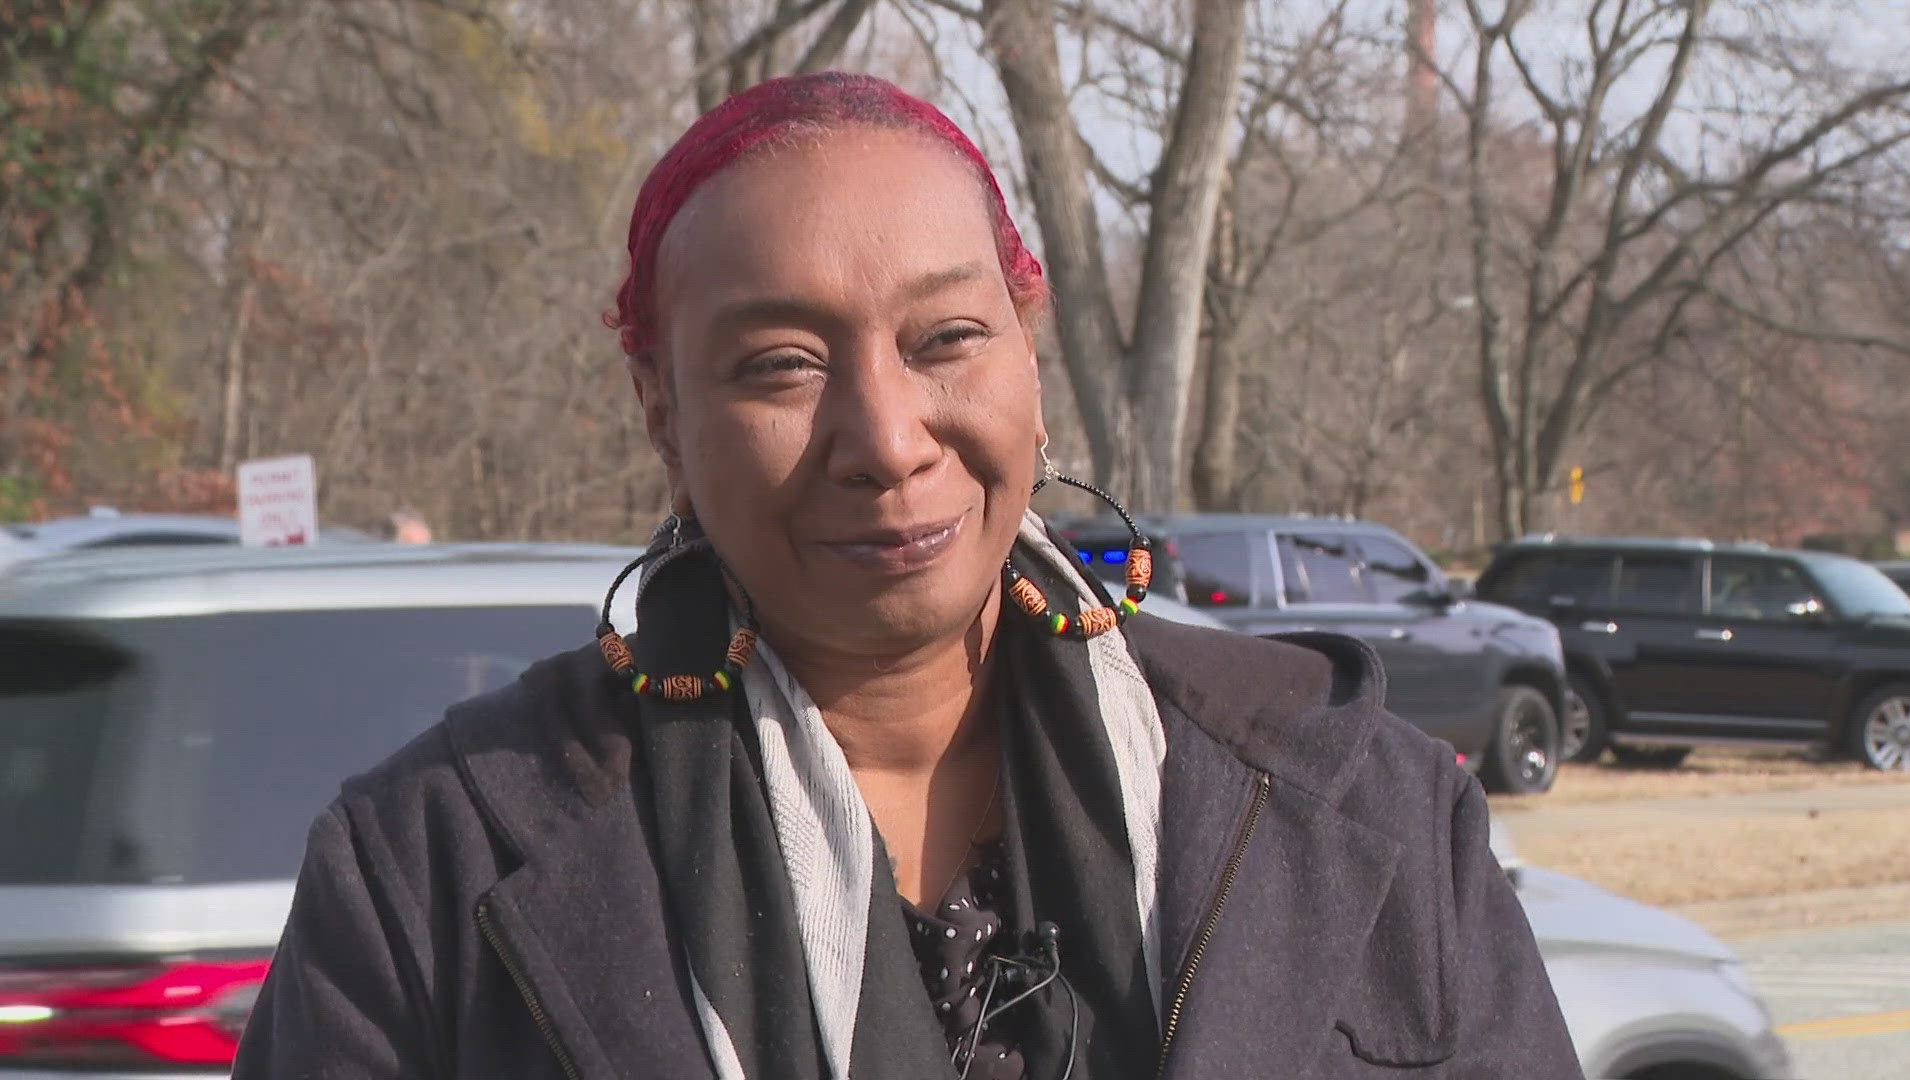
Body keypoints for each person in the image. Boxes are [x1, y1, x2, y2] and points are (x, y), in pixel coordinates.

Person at [233, 73, 1581, 1079]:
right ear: (661, 414)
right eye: (779, 366)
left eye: (943, 338)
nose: (885, 440)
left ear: (1028, 357)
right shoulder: (431, 869)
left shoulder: (1355, 808)